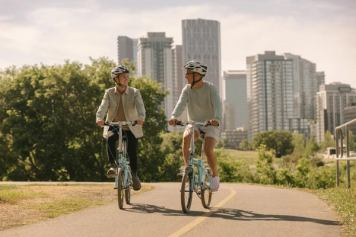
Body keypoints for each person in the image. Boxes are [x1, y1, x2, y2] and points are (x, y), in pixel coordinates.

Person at [168, 60, 222, 192]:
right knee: (186, 137)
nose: (186, 76)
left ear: (197, 75)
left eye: (188, 73)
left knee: (208, 150)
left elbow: (218, 106)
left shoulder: (210, 88)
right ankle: (188, 168)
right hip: (194, 123)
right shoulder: (187, 89)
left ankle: (215, 176)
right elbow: (180, 104)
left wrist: (216, 119)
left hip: (210, 124)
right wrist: (174, 116)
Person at [96, 65, 146, 191]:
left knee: (132, 150)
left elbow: (141, 107)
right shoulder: (109, 93)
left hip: (131, 126)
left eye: (127, 77)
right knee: (110, 138)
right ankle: (113, 165)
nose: (126, 79)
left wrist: (141, 118)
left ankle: (134, 174)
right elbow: (103, 107)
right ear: (116, 79)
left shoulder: (134, 92)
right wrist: (99, 118)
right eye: (123, 77)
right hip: (114, 125)